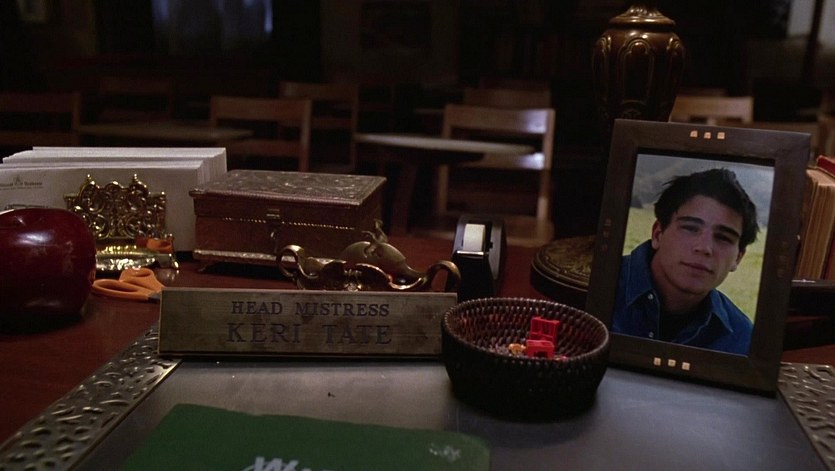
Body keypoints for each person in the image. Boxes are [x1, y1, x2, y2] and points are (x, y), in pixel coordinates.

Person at [612, 168, 759, 355]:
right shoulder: (594, 284)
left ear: (738, 258)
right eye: (690, 228)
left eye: (723, 237)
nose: (704, 248)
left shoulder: (742, 340)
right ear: (658, 234)